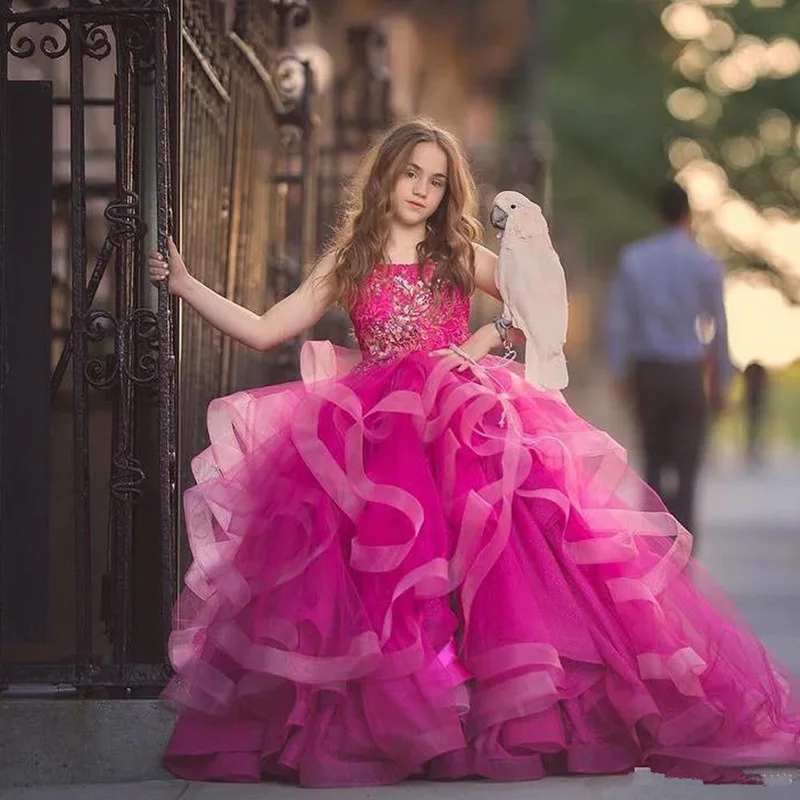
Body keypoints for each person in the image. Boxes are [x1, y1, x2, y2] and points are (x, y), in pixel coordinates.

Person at [150, 119, 800, 788]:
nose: (422, 191)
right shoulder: (350, 261)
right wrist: (186, 286)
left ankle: (485, 722)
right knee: (390, 584)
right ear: (386, 175)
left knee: (486, 567)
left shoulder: (456, 252)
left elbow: (538, 304)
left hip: (464, 420)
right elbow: (265, 330)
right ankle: (406, 724)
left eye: (436, 181)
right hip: (374, 435)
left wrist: (485, 338)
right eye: (412, 175)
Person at [606, 181, 732, 543]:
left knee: (654, 462)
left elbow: (619, 321)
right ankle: (685, 549)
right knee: (688, 467)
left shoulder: (634, 258)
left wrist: (619, 370)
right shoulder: (705, 263)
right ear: (688, 215)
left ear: (657, 213)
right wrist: (720, 380)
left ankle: (654, 546)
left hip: (649, 372)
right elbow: (718, 327)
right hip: (688, 373)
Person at [743, 361, 769, 467]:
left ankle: (756, 451)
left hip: (757, 404)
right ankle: (751, 451)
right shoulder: (754, 371)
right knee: (751, 428)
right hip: (752, 404)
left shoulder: (757, 371)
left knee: (757, 428)